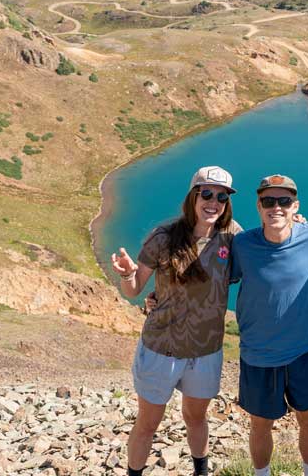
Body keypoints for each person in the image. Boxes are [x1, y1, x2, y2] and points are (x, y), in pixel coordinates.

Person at [111, 166, 240, 476]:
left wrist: (296, 226)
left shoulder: (232, 235)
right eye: (206, 194)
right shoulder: (164, 237)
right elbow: (134, 290)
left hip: (206, 350)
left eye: (221, 196)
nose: (214, 202)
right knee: (148, 423)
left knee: (197, 417)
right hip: (161, 348)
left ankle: (201, 471)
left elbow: (266, 252)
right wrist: (128, 273)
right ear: (193, 197)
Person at [230, 174, 308, 476]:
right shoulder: (243, 245)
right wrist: (160, 293)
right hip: (258, 355)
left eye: (284, 201)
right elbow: (209, 274)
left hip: (303, 352)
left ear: (295, 205)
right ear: (258, 206)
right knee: (260, 424)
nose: (276, 208)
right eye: (269, 201)